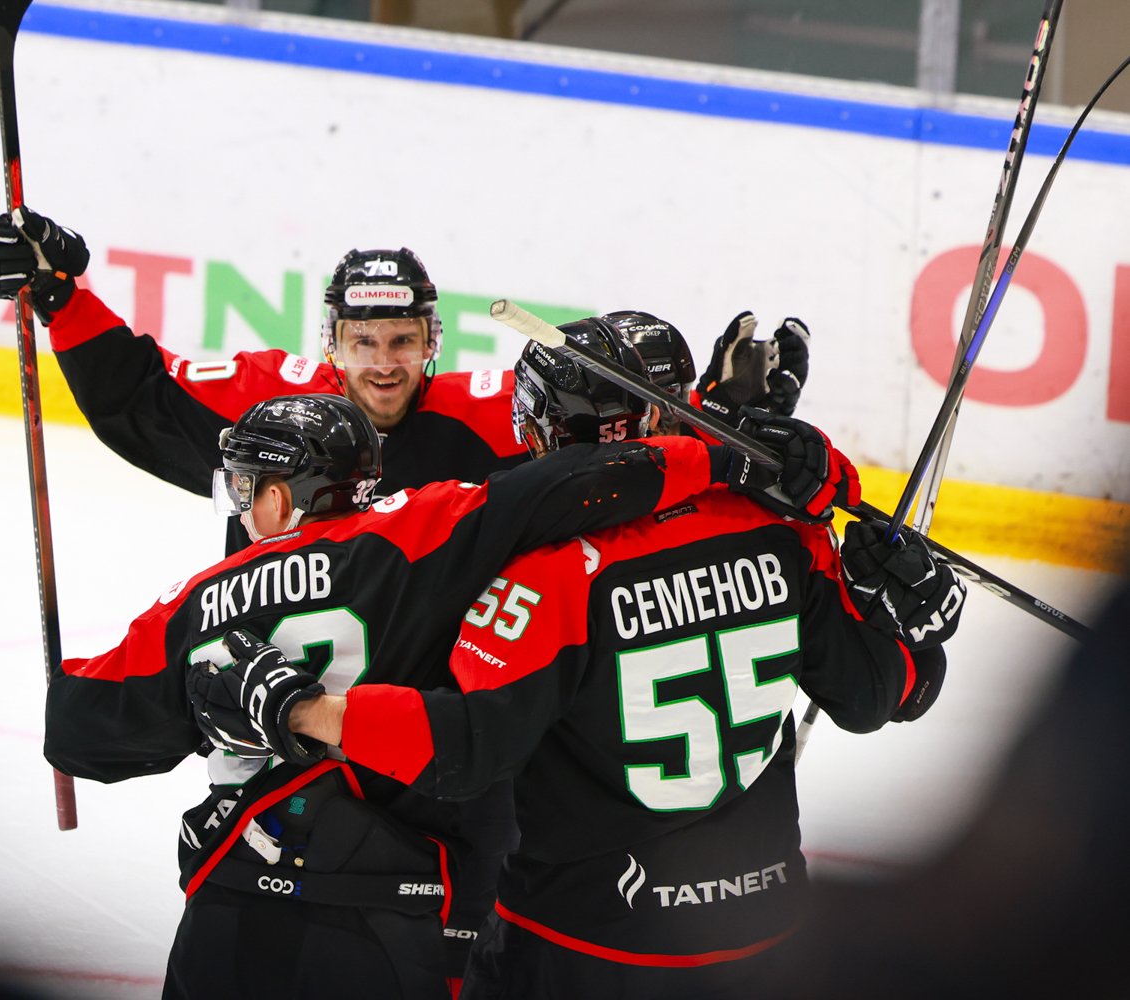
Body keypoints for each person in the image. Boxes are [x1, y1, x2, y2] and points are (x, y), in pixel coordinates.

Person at [195, 315, 964, 998]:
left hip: (586, 943)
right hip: (763, 933)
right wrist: (914, 621)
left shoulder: (546, 576)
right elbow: (881, 693)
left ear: (547, 433)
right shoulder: (782, 531)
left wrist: (303, 708)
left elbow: (463, 753)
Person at [43, 378, 850, 999]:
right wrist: (727, 457)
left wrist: (208, 707)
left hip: (231, 903)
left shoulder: (194, 604)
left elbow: (81, 736)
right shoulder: (417, 534)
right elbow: (575, 485)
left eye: (245, 488)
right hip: (401, 912)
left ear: (278, 496)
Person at [0, 210, 810, 557]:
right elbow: (138, 398)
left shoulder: (495, 412)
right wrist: (60, 296)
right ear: (332, 342)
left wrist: (715, 419)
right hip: (277, 698)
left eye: (402, 340)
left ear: (430, 342)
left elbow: (612, 429)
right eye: (363, 341)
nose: (382, 361)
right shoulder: (270, 403)